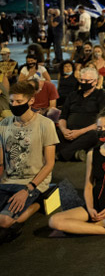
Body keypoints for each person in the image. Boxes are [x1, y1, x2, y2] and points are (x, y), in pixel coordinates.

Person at [49, 108, 105, 237]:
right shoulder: (92, 153)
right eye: (99, 128)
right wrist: (90, 208)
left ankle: (86, 228)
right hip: (97, 203)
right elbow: (89, 185)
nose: (103, 131)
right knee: (54, 221)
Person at [0, 82, 58, 243]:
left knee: (4, 221)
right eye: (12, 101)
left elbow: (49, 163)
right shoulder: (4, 124)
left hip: (31, 182)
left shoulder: (46, 125)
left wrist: (27, 189)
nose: (14, 105)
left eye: (19, 102)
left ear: (31, 101)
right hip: (6, 180)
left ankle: (38, 203)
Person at [58, 67, 105, 161]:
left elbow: (103, 121)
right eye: (81, 80)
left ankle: (62, 154)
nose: (83, 83)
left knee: (94, 136)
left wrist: (79, 132)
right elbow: (63, 116)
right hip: (69, 132)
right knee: (54, 133)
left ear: (95, 81)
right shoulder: (72, 95)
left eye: (86, 81)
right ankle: (75, 153)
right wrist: (64, 130)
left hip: (88, 132)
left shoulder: (101, 96)